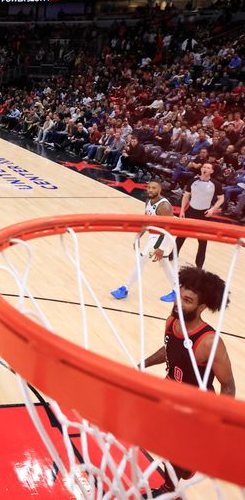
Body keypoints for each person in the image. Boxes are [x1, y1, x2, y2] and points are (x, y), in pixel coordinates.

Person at [142, 266, 235, 495]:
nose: (178, 303)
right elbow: (168, 349)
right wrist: (142, 363)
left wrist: (218, 419)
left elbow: (228, 385)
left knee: (174, 452)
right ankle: (183, 467)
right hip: (170, 396)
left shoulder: (209, 341)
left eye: (187, 300)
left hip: (196, 407)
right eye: (178, 295)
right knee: (170, 452)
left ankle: (168, 490)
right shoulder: (172, 321)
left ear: (201, 307)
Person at [111, 181, 176, 302]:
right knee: (165, 264)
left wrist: (161, 247)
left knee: (141, 260)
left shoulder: (164, 206)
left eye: (154, 188)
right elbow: (145, 221)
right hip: (153, 235)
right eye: (149, 188)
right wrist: (137, 237)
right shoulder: (148, 201)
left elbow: (170, 228)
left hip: (161, 237)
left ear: (160, 190)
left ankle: (125, 288)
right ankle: (177, 290)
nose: (150, 190)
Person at [174, 163, 224, 268]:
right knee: (181, 235)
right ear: (201, 169)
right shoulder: (192, 181)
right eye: (204, 167)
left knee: (202, 241)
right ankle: (172, 255)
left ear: (212, 171)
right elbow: (186, 196)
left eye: (208, 168)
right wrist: (182, 210)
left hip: (204, 214)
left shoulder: (215, 184)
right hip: (191, 211)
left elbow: (221, 198)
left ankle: (199, 265)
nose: (205, 169)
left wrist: (212, 209)